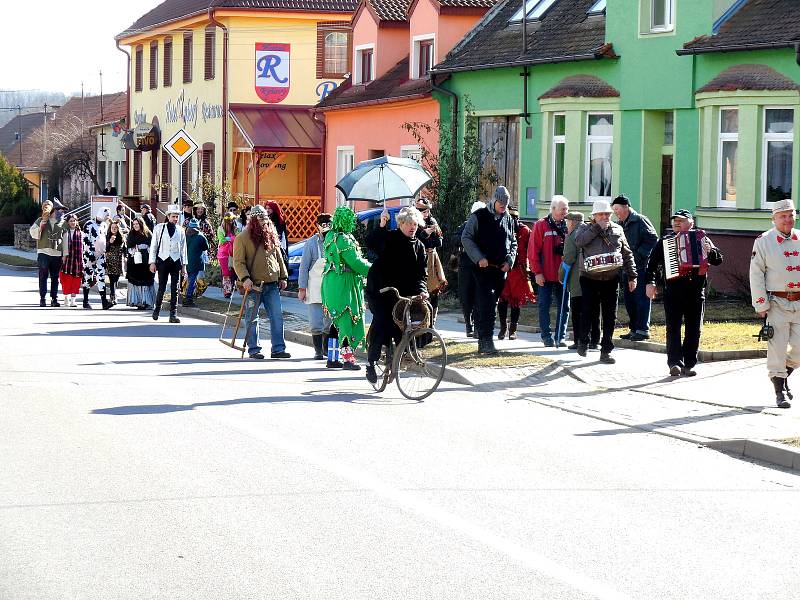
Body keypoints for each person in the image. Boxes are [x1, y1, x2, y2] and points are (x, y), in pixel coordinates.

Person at [646, 209, 723, 379]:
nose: (676, 223)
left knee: (694, 329)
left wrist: (710, 250)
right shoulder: (665, 242)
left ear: (691, 223)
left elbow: (718, 260)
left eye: (681, 220)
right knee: (673, 328)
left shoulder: (702, 238)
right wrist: (650, 283)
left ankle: (689, 364)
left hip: (695, 291)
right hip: (673, 290)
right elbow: (651, 264)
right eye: (675, 220)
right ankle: (674, 363)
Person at [364, 207, 428, 384]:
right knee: (382, 320)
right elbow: (371, 243)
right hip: (381, 290)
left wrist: (422, 290)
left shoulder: (420, 246)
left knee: (406, 323)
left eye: (415, 224)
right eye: (408, 223)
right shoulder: (390, 237)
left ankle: (400, 355)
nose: (412, 227)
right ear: (400, 223)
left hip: (404, 293)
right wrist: (382, 225)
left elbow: (422, 274)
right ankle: (371, 362)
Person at [749, 199, 800, 408]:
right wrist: (761, 304)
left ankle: (784, 375)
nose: (787, 220)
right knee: (777, 348)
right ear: (774, 219)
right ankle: (779, 391)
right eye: (782, 216)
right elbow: (756, 273)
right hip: (776, 302)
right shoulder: (763, 241)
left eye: (791, 215)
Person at [574, 200, 637, 364]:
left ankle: (606, 351)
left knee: (610, 315)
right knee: (588, 310)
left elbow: (627, 253)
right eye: (601, 214)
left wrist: (632, 276)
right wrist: (596, 228)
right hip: (589, 278)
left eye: (607, 214)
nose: (604, 217)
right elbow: (578, 242)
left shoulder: (618, 229)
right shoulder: (584, 228)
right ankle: (583, 342)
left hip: (611, 278)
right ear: (594, 216)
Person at [461, 186, 518, 355]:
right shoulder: (478, 216)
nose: (503, 206)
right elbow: (466, 237)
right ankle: (486, 341)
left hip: (500, 270)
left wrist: (510, 260)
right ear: (494, 200)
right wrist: (479, 257)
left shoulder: (508, 218)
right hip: (482, 270)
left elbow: (513, 242)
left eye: (506, 204)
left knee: (492, 304)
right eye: (501, 202)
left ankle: (485, 340)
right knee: (486, 303)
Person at [232, 204, 291, 359]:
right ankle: (254, 349)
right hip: (253, 286)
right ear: (253, 221)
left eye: (265, 220)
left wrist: (283, 276)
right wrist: (245, 278)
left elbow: (278, 257)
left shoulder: (271, 234)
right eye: (260, 220)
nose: (264, 223)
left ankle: (278, 349)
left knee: (277, 316)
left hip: (271, 284)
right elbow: (238, 262)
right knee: (251, 318)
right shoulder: (242, 238)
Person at [321, 206, 372, 369]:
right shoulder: (343, 238)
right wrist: (376, 269)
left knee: (336, 321)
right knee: (346, 320)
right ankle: (348, 360)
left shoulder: (330, 235)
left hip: (331, 282)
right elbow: (356, 262)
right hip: (343, 283)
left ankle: (332, 358)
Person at [612, 195, 659, 341]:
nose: (616, 213)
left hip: (640, 267)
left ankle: (643, 330)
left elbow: (653, 239)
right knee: (629, 300)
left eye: (617, 209)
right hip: (626, 268)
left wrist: (638, 255)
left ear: (626, 207)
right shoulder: (620, 224)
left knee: (641, 299)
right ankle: (633, 329)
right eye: (614, 210)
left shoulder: (640, 220)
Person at [530, 195, 570, 347]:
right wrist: (537, 272)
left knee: (565, 306)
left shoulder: (569, 225)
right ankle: (546, 336)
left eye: (567, 209)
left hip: (563, 275)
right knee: (544, 305)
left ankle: (560, 336)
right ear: (553, 209)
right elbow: (533, 251)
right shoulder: (541, 225)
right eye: (562, 209)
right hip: (545, 274)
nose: (565, 212)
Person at [561, 211, 600, 351]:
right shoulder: (591, 231)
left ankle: (578, 340)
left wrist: (561, 276)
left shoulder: (572, 236)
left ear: (572, 222)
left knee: (578, 311)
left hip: (578, 280)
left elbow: (568, 258)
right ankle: (595, 340)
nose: (566, 225)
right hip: (594, 277)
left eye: (567, 222)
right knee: (594, 309)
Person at [497, 205, 536, 340]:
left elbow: (531, 250)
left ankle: (513, 329)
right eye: (510, 217)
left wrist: (531, 267)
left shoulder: (525, 231)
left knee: (516, 301)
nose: (512, 220)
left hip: (518, 271)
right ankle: (503, 328)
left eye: (514, 218)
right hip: (504, 269)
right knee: (502, 300)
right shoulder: (501, 229)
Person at [298, 213, 333, 361]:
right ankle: (318, 350)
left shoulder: (335, 241)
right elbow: (304, 267)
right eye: (322, 225)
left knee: (329, 321)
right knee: (316, 321)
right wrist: (302, 288)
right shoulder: (311, 243)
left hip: (331, 287)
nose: (325, 228)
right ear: (317, 226)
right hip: (314, 287)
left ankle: (325, 349)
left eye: (328, 224)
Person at [149, 204, 188, 323]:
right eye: (173, 216)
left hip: (175, 261)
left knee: (175, 288)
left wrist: (184, 266)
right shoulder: (159, 228)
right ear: (168, 216)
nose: (175, 219)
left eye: (177, 217)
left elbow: (183, 248)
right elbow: (154, 246)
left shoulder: (181, 230)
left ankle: (173, 314)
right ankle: (157, 310)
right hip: (162, 260)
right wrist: (152, 262)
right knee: (161, 286)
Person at [454, 200, 485, 337]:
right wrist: (466, 238)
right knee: (466, 297)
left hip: (481, 267)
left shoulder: (488, 228)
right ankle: (468, 324)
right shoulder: (465, 226)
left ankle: (478, 327)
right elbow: (454, 240)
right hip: (466, 266)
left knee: (480, 297)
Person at [29, 199, 66, 307]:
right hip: (43, 252)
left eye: (61, 210)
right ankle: (42, 298)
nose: (61, 212)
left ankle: (54, 298)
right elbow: (33, 232)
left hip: (57, 254)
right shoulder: (40, 220)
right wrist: (42, 223)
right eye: (59, 210)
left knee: (55, 277)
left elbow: (65, 239)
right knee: (43, 276)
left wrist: (65, 254)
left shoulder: (62, 223)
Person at [415, 197, 446, 326]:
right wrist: (424, 234)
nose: (426, 214)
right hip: (418, 258)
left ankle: (432, 320)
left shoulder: (432, 221)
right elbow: (415, 242)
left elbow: (439, 241)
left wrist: (430, 236)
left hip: (432, 258)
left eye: (427, 211)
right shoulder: (414, 222)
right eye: (423, 211)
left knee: (434, 290)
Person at [81, 207, 111, 309]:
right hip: (89, 255)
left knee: (101, 276)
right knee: (88, 276)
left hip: (100, 255)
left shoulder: (104, 225)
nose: (108, 217)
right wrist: (90, 254)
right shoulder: (89, 224)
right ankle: (85, 300)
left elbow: (103, 239)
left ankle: (104, 301)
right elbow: (85, 240)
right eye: (106, 215)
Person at [126, 216, 156, 310]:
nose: (135, 226)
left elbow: (153, 246)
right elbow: (128, 248)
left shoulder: (148, 234)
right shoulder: (131, 234)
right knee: (135, 281)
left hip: (146, 261)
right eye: (134, 224)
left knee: (146, 281)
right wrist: (135, 249)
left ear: (141, 224)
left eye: (137, 224)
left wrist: (146, 248)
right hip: (134, 261)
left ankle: (146, 301)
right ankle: (138, 301)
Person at [183, 218, 209, 307]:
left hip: (186, 261)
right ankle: (188, 298)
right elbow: (206, 247)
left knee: (189, 279)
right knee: (192, 280)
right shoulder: (200, 236)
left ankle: (186, 295)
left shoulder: (185, 236)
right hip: (196, 262)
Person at [59, 213, 83, 308]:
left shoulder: (81, 233)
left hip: (78, 260)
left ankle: (73, 300)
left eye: (74, 220)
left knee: (76, 280)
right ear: (68, 222)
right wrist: (63, 256)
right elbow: (62, 246)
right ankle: (66, 298)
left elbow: (83, 247)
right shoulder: (65, 233)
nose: (73, 222)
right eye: (71, 221)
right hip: (67, 259)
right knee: (66, 279)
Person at [104, 220, 126, 308]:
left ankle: (113, 295)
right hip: (110, 261)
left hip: (118, 261)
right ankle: (112, 296)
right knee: (111, 279)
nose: (114, 229)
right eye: (112, 227)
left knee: (116, 279)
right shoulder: (107, 236)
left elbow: (124, 248)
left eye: (116, 228)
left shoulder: (121, 237)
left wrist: (126, 256)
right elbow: (105, 249)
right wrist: (110, 242)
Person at [216, 214, 238, 298]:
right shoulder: (220, 229)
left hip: (233, 253)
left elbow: (239, 237)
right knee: (226, 273)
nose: (231, 222)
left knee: (233, 272)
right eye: (230, 220)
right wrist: (232, 239)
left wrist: (229, 238)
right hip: (224, 254)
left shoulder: (235, 229)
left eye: (232, 220)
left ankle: (233, 287)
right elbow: (221, 240)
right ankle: (227, 290)